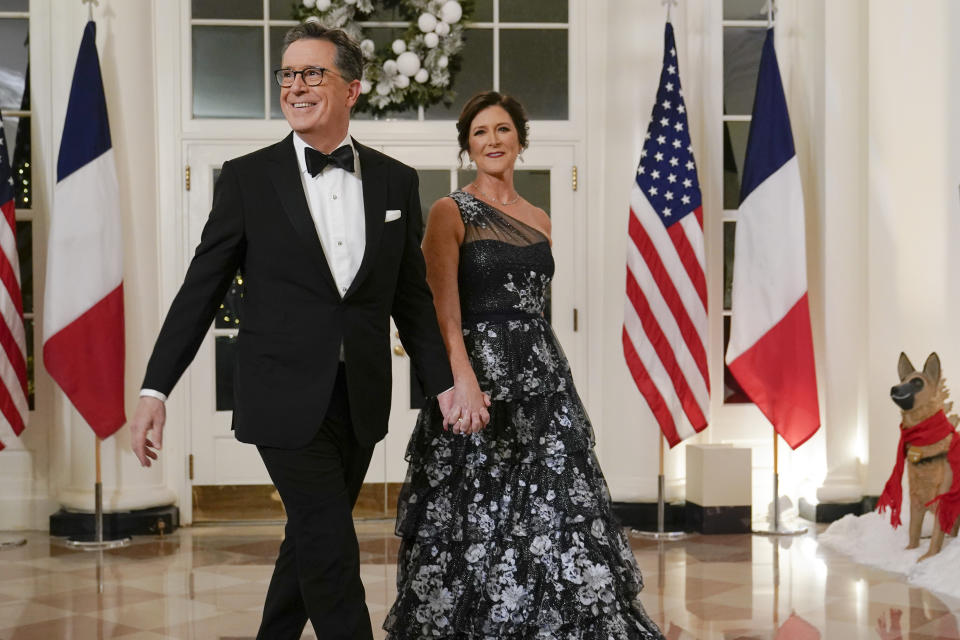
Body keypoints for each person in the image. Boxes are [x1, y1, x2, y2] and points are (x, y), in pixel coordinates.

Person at [129, 24, 474, 640]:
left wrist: (444, 383)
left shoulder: (396, 182)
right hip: (280, 396)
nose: (296, 86)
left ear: (353, 89)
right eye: (288, 75)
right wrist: (155, 389)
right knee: (330, 543)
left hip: (360, 397)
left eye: (313, 73)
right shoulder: (246, 178)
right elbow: (200, 292)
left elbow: (411, 299)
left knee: (314, 535)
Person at [384, 91, 665, 639]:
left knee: (556, 510)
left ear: (520, 140)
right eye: (481, 132)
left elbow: (535, 307)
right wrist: (460, 381)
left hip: (542, 380)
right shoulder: (449, 211)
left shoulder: (540, 218)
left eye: (502, 130)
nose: (493, 141)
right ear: (467, 146)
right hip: (478, 383)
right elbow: (443, 308)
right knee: (479, 514)